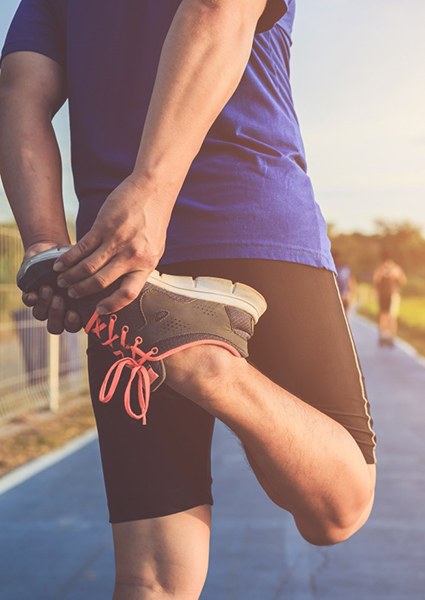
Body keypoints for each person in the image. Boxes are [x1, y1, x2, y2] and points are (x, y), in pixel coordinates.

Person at [0, 1, 377, 598]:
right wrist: (152, 188)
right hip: (252, 220)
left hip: (120, 264)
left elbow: (20, 92)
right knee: (340, 508)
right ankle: (208, 368)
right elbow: (217, 7)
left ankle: (182, 350)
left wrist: (47, 245)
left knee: (153, 576)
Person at [373, 253, 407, 347]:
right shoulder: (380, 269)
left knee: (392, 316)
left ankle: (392, 337)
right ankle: (383, 336)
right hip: (383, 296)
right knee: (383, 316)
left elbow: (403, 280)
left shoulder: (396, 269)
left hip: (393, 296)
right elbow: (376, 281)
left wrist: (396, 275)